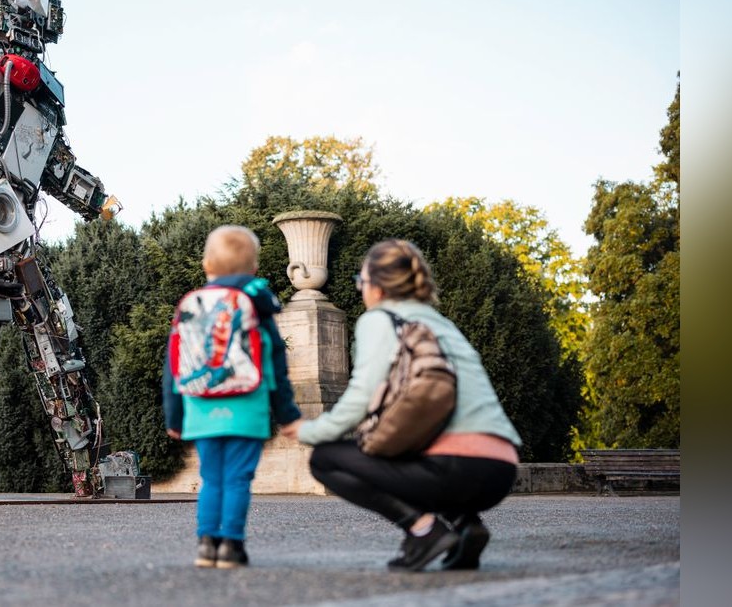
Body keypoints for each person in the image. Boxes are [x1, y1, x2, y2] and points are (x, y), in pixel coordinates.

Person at [280, 239, 522, 572]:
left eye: (360, 282)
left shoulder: (381, 319)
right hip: (500, 470)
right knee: (405, 444)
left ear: (376, 287)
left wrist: (312, 430)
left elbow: (361, 396)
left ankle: (425, 531)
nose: (361, 289)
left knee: (325, 459)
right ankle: (466, 526)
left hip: (453, 469)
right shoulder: (441, 323)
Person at [163, 225, 302, 569]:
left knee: (211, 478)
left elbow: (173, 365)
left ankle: (207, 544)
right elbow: (275, 362)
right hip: (247, 408)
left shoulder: (192, 305)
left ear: (206, 265)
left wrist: (174, 417)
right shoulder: (258, 301)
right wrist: (287, 414)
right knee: (238, 479)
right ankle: (232, 547)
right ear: (253, 268)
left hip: (200, 408)